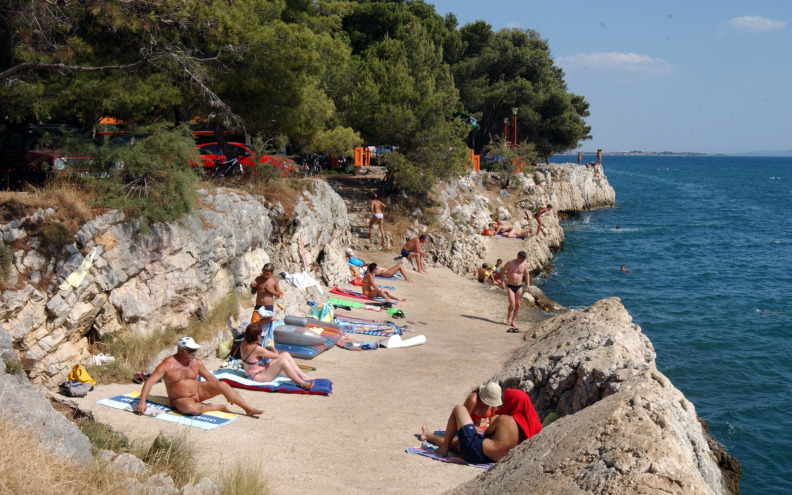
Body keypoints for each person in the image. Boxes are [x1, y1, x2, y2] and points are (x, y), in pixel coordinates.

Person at [137, 337, 263, 417]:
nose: (194, 353)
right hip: (180, 398)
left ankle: (248, 409)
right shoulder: (167, 364)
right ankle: (209, 408)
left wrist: (224, 391)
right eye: (191, 351)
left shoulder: (196, 362)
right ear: (181, 350)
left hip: (198, 391)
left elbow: (209, 377)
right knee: (192, 409)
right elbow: (149, 381)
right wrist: (142, 402)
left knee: (222, 384)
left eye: (195, 350)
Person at [421, 387, 541, 464]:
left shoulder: (505, 420)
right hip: (487, 459)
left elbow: (488, 432)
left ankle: (443, 449)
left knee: (459, 409)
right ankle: (429, 436)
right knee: (456, 442)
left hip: (475, 449)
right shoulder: (527, 431)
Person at [421, 382, 502, 452]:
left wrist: (490, 430)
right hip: (470, 430)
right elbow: (463, 420)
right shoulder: (473, 400)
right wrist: (479, 430)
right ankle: (429, 436)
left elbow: (493, 418)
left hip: (484, 430)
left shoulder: (492, 403)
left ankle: (429, 436)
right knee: (453, 443)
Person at [238, 319, 316, 390]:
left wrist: (265, 321)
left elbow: (253, 327)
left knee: (285, 354)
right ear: (258, 336)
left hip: (254, 373)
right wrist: (272, 348)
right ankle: (302, 384)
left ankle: (303, 376)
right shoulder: (256, 349)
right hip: (257, 376)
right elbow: (276, 355)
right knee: (283, 361)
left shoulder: (244, 342)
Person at [499, 251, 531, 329]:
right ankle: (508, 316)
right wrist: (502, 282)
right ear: (518, 257)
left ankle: (513, 321)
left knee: (518, 305)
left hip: (519, 286)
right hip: (510, 286)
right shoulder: (510, 262)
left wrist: (528, 285)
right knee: (512, 305)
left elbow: (526, 274)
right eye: (521, 260)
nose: (522, 261)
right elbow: (503, 271)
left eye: (523, 260)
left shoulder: (525, 264)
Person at [345, 248, 413, 282]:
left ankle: (406, 277)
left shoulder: (368, 268)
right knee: (400, 266)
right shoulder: (368, 270)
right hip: (385, 274)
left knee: (397, 267)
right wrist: (363, 266)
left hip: (384, 272)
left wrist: (364, 264)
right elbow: (348, 264)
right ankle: (407, 278)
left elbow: (371, 269)